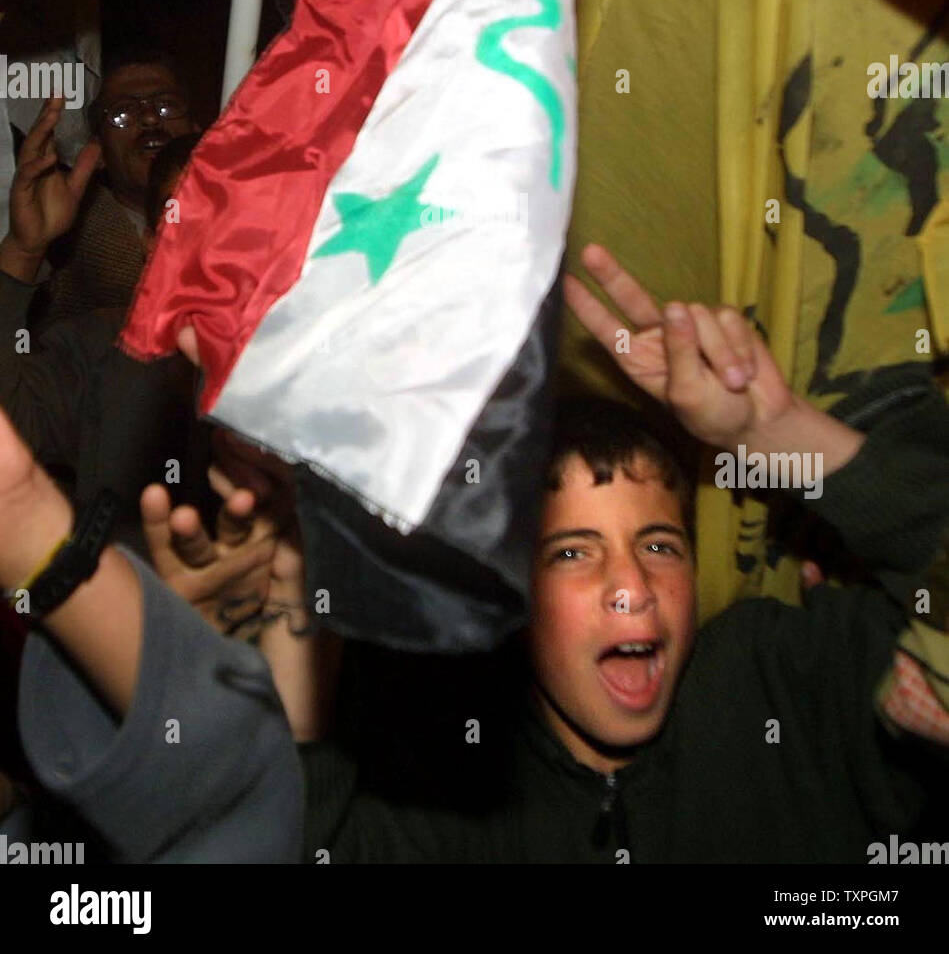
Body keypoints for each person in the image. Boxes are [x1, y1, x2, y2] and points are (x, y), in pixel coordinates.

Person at [3, 247, 948, 863]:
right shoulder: (432, 794)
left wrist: (780, 432)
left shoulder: (787, 690)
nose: (630, 590)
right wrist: (267, 649)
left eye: (656, 544)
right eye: (573, 553)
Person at [0, 132, 202, 545]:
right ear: (150, 244)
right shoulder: (98, 346)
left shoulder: (308, 357)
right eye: (182, 219)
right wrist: (22, 253)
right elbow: (13, 424)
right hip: (119, 603)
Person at [0, 49, 196, 325]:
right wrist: (24, 251)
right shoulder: (70, 262)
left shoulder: (252, 223)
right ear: (98, 151)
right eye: (123, 112)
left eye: (167, 105)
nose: (151, 119)